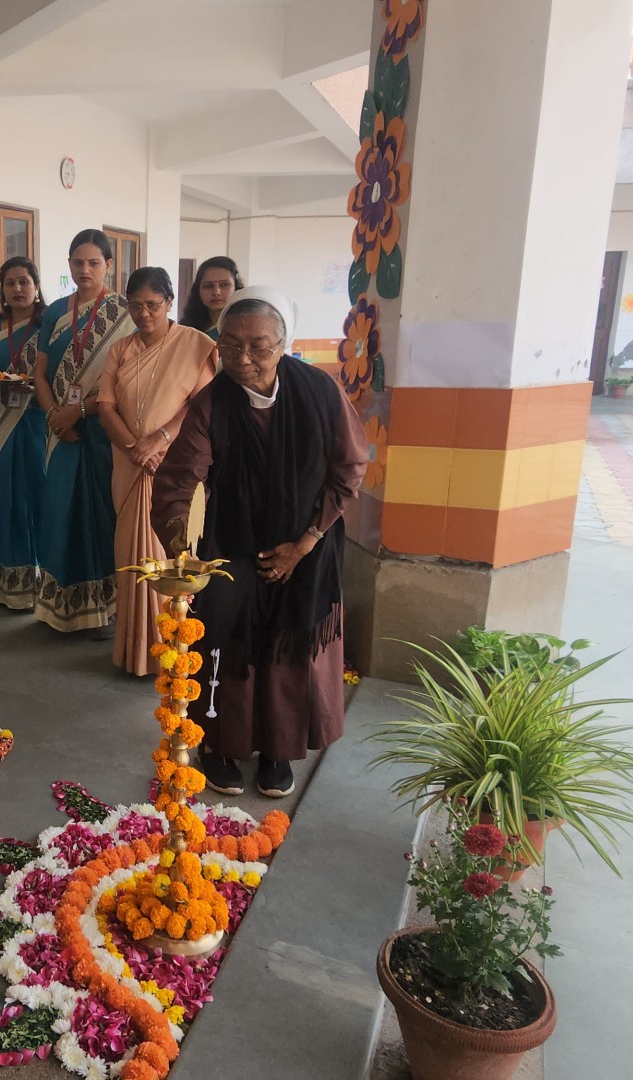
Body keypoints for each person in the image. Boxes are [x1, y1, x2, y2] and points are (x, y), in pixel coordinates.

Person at [151, 287, 367, 799]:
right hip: (233, 542)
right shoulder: (211, 402)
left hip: (309, 541)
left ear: (283, 345)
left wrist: (305, 542)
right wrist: (181, 543)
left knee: (289, 645)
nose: (243, 358)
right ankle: (220, 746)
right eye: (230, 345)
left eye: (259, 346)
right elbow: (180, 477)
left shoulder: (320, 391)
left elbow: (349, 469)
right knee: (229, 640)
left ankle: (277, 750)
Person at [97, 267, 217, 675]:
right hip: (129, 464)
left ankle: (174, 651)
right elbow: (106, 408)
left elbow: (201, 406)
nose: (144, 313)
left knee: (172, 554)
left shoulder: (195, 345)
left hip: (175, 466)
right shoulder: (120, 349)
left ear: (169, 302)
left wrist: (160, 439)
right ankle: (135, 652)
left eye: (152, 304)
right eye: (135, 306)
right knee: (130, 555)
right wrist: (135, 449)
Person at [33, 229, 133, 637]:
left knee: (102, 516)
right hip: (60, 432)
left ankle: (106, 610)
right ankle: (63, 607)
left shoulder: (125, 313)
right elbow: (40, 374)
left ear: (109, 265)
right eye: (78, 262)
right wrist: (55, 416)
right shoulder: (56, 312)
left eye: (93, 263)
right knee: (60, 513)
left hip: (103, 430)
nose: (85, 270)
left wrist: (77, 412)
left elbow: (125, 381)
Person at [0, 257, 47, 610]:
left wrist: (36, 385)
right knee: (2, 497)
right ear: (1, 289)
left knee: (35, 496)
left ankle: (40, 582)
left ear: (36, 285)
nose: (17, 288)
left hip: (36, 420)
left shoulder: (48, 324)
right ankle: (3, 584)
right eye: (10, 282)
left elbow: (57, 371)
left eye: (24, 281)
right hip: (0, 420)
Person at [181, 257, 243, 339]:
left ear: (236, 287)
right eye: (208, 286)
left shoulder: (246, 326)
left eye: (224, 285)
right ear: (198, 290)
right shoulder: (187, 330)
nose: (216, 292)